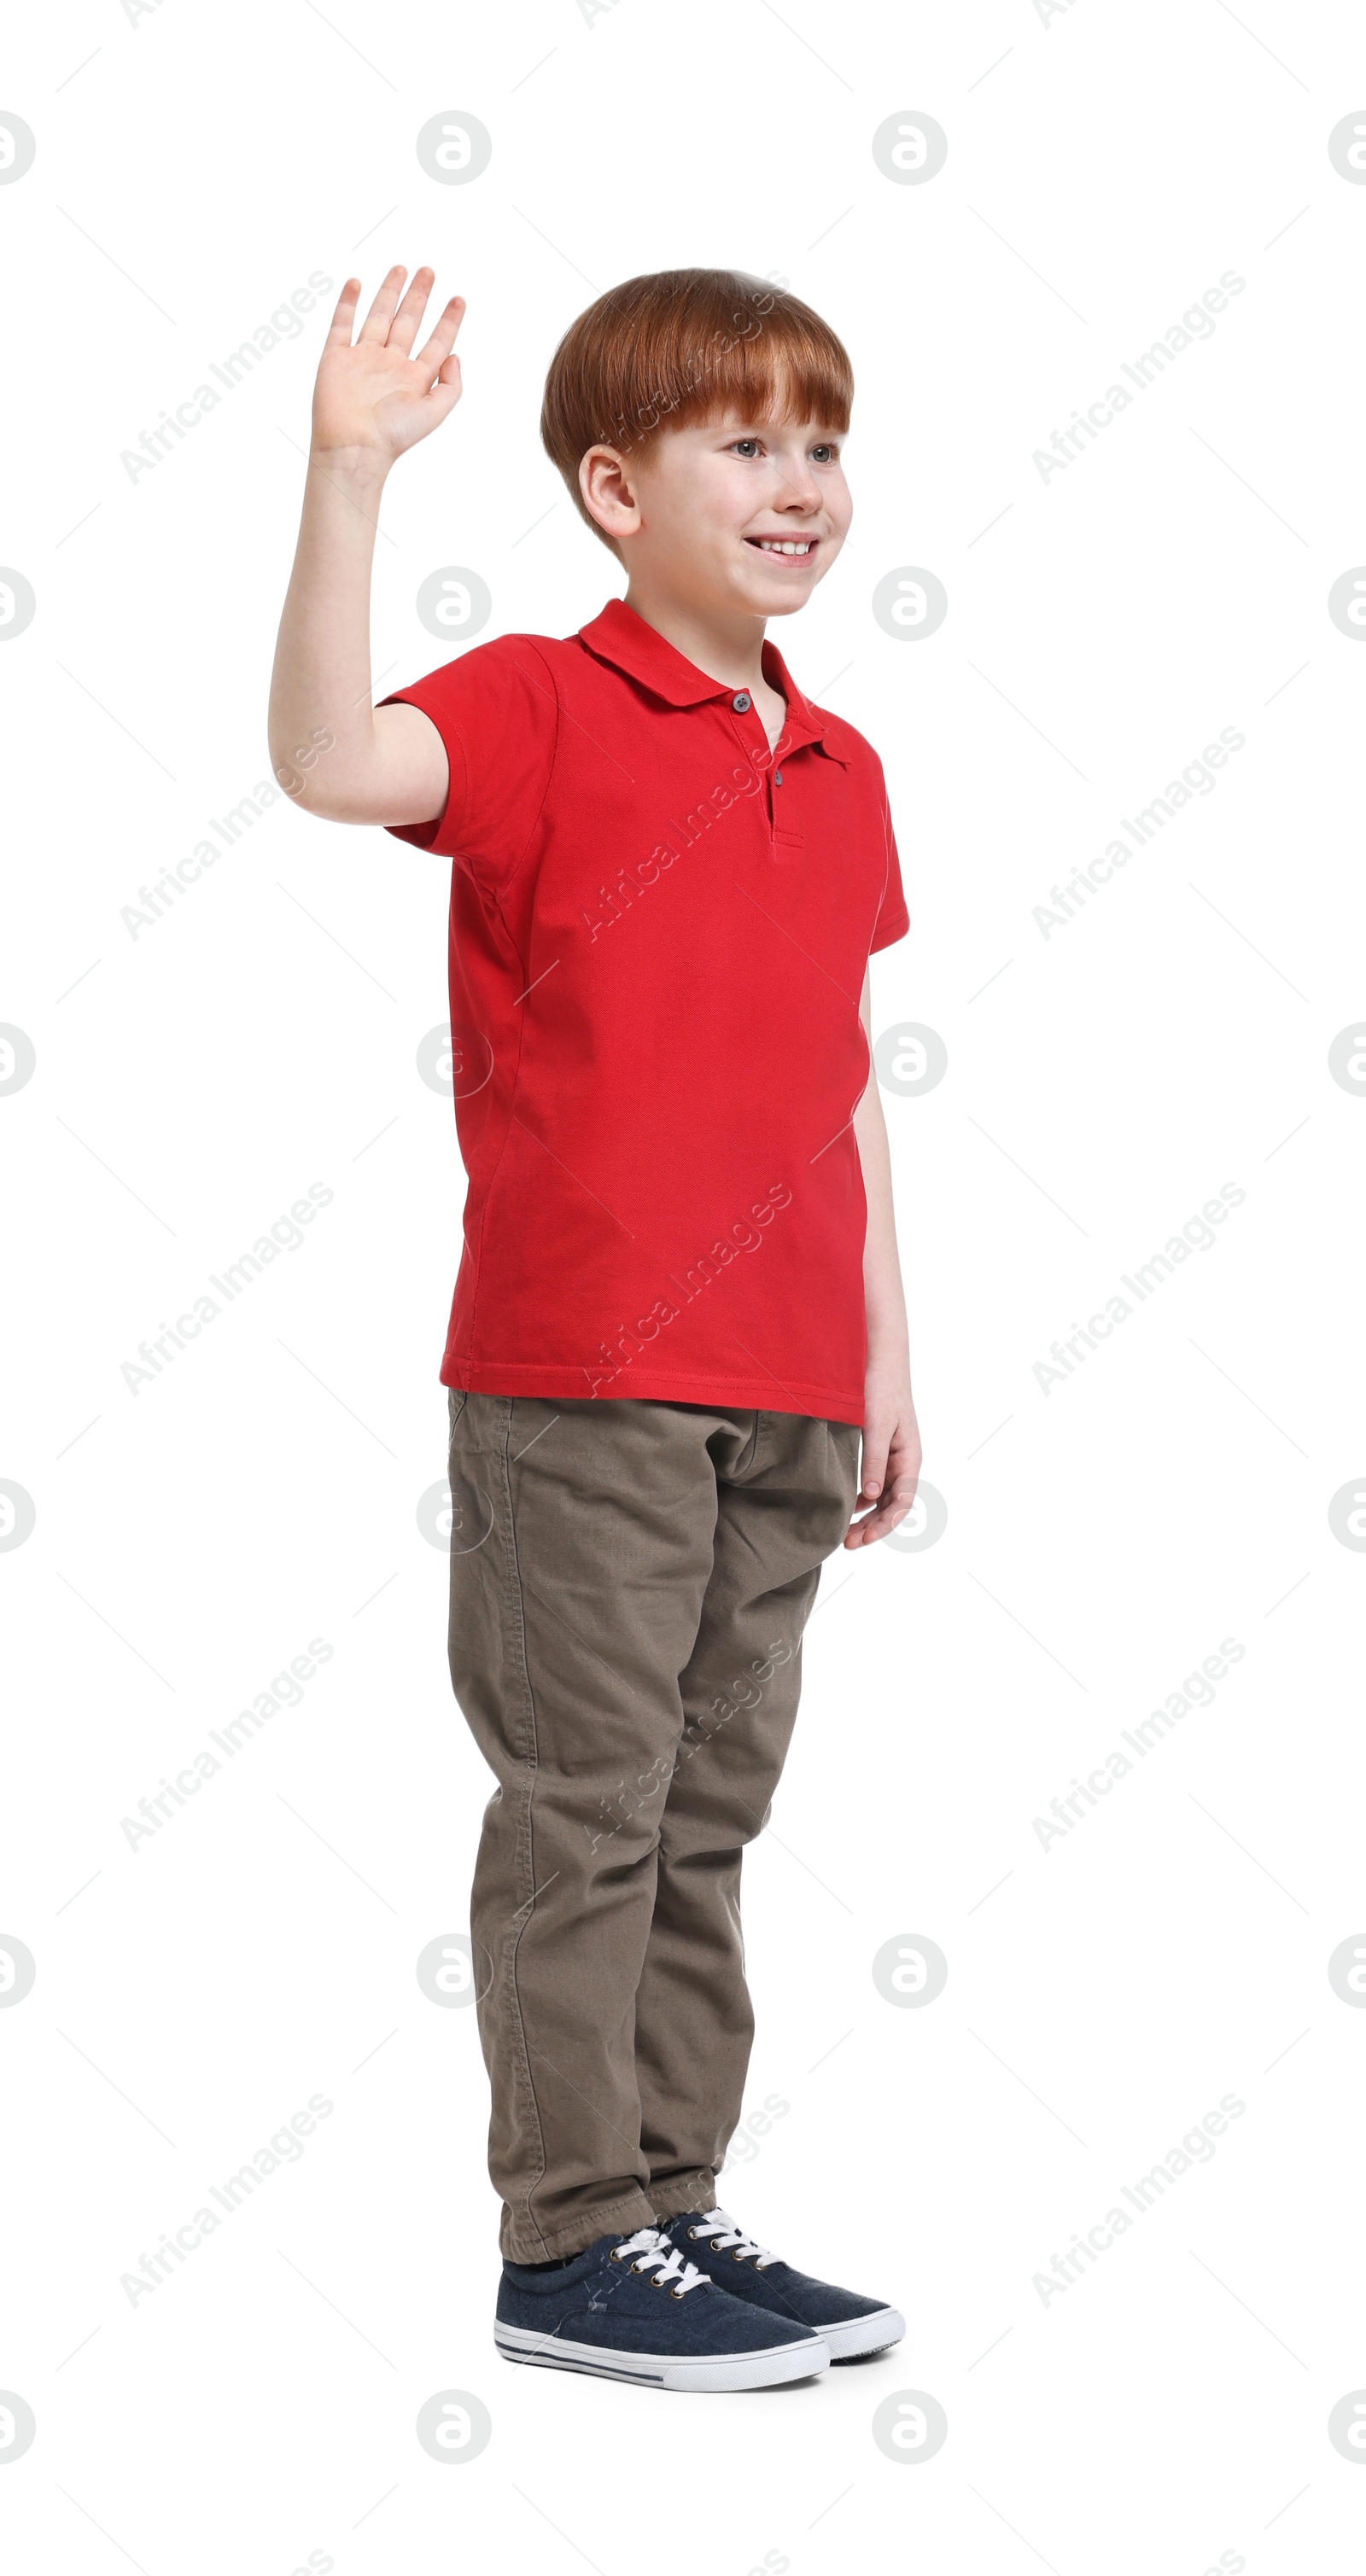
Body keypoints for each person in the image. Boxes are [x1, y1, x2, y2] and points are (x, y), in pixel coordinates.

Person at [268, 263, 921, 2393]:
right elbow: (325, 762)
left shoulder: (835, 753)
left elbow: (834, 1071)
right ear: (613, 488)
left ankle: (670, 2202)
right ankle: (565, 2245)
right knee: (588, 1804)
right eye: (745, 442)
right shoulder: (544, 704)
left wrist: (883, 1359)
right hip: (587, 1376)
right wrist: (348, 474)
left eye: (816, 439)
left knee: (708, 1811)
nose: (797, 481)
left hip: (789, 1375)